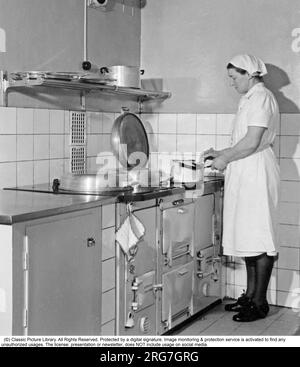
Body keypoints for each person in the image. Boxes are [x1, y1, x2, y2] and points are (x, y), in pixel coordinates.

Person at [205, 54, 280, 322]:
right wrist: (220, 152)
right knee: (249, 236)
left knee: (259, 237)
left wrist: (225, 159)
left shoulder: (261, 98)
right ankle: (249, 296)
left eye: (234, 77)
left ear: (249, 74)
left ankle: (259, 303)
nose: (231, 83)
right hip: (247, 169)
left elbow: (251, 142)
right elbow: (242, 142)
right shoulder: (249, 98)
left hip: (256, 170)